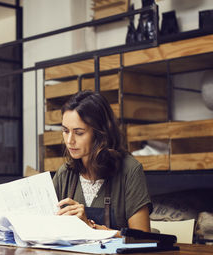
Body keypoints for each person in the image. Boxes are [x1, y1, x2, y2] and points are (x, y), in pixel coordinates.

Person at [53, 90, 152, 233]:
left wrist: (91, 227)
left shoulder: (129, 170)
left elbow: (142, 237)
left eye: (79, 132)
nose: (69, 141)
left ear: (100, 133)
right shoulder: (65, 174)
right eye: (65, 131)